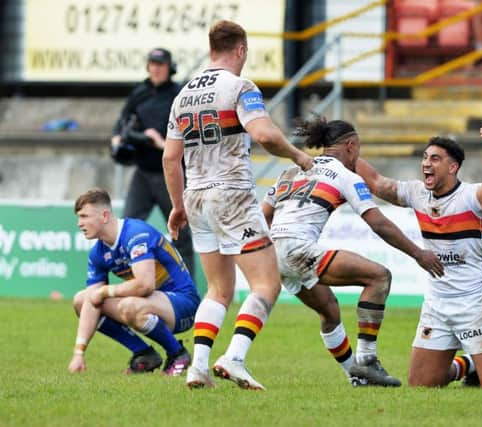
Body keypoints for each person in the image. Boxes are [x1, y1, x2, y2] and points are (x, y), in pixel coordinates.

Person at [163, 20, 313, 390]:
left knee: (218, 289)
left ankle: (198, 367)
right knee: (266, 284)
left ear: (212, 48)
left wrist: (177, 205)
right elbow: (263, 133)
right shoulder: (240, 87)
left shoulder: (182, 96)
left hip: (196, 197)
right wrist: (299, 156)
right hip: (231, 194)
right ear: (241, 50)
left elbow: (170, 158)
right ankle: (234, 358)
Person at [261, 115, 444, 387]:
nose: (358, 155)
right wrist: (418, 253)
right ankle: (367, 360)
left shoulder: (291, 171)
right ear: (350, 145)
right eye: (358, 148)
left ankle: (357, 376)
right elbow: (378, 222)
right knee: (379, 277)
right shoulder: (345, 175)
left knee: (329, 311)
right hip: (298, 248)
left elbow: (263, 216)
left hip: (271, 252)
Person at [356, 123, 482, 389]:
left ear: (453, 167)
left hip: (475, 302)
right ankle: (467, 364)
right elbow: (378, 184)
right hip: (437, 302)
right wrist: (344, 155)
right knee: (421, 384)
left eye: (435, 159)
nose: (426, 163)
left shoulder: (471, 197)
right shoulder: (417, 193)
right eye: (425, 158)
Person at [68, 188, 200, 376]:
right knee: (81, 300)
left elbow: (145, 285)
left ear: (105, 215)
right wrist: (78, 352)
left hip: (183, 303)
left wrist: (106, 292)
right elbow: (91, 300)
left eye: (84, 216)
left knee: (129, 306)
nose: (79, 223)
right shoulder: (98, 252)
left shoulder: (135, 234)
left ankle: (177, 353)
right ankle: (145, 354)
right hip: (153, 303)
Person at [111, 47, 195, 279]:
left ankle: (187, 293)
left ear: (170, 68)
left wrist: (161, 143)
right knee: (126, 230)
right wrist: (117, 138)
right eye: (152, 64)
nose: (156, 69)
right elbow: (122, 122)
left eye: (161, 65)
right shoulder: (140, 93)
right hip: (143, 172)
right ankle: (138, 285)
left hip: (171, 173)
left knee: (181, 235)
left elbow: (189, 134)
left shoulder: (180, 95)